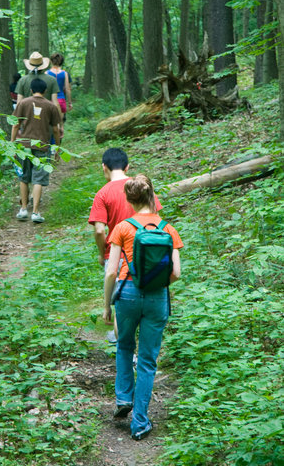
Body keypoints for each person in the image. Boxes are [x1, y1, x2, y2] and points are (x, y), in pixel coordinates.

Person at [103, 174, 182, 441]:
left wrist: (107, 306)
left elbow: (111, 272)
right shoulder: (168, 229)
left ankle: (124, 398)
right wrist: (156, 284)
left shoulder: (123, 228)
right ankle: (139, 422)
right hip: (157, 297)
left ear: (129, 200)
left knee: (125, 346)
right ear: (152, 196)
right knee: (147, 361)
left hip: (127, 294)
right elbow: (177, 273)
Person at [88, 148, 162, 340]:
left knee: (121, 308)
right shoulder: (143, 188)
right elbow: (156, 219)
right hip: (147, 254)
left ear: (103, 167)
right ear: (127, 166)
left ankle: (127, 352)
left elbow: (99, 230)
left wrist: (102, 251)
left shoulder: (102, 194)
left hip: (118, 256)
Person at [11, 78, 61, 223]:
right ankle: (35, 212)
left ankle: (23, 210)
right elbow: (56, 130)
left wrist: (12, 144)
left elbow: (15, 125)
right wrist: (57, 148)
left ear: (31, 90)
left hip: (24, 145)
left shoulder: (22, 103)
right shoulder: (51, 106)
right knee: (38, 179)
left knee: (24, 177)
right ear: (45, 91)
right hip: (42, 146)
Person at [47, 52, 73, 122]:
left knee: (51, 123)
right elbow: (68, 89)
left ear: (51, 61)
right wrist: (70, 103)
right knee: (60, 123)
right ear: (61, 62)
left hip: (50, 100)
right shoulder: (65, 73)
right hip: (61, 99)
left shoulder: (46, 73)